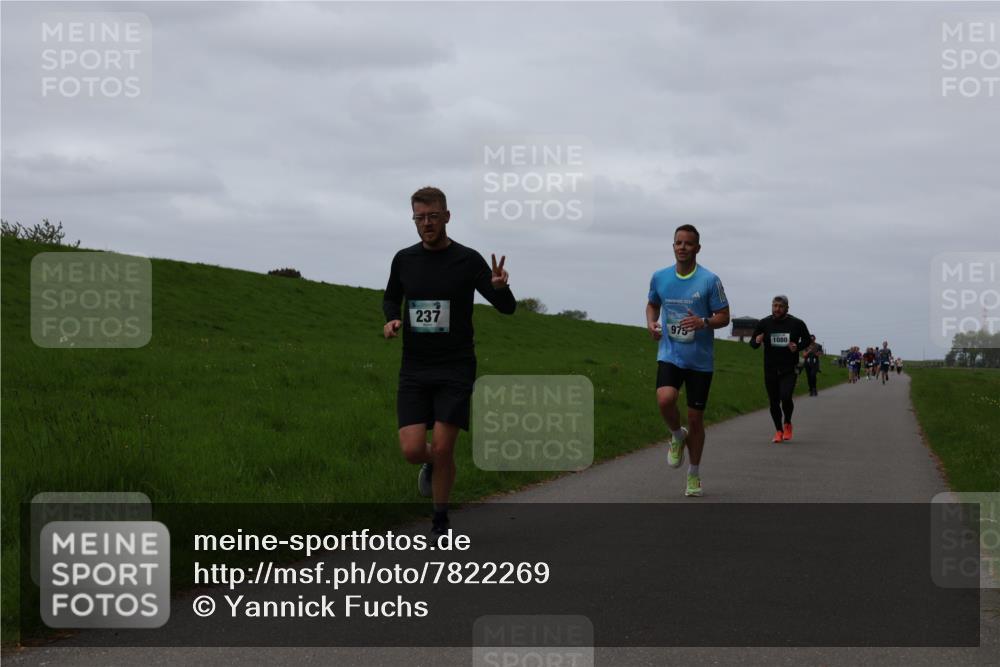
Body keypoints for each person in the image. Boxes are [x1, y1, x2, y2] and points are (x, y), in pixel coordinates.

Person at [383, 186, 516, 541]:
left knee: (444, 448)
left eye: (432, 217)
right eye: (419, 218)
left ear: (446, 217)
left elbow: (506, 308)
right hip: (414, 366)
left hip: (455, 366)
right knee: (413, 450)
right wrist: (392, 319)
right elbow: (391, 296)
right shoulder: (404, 259)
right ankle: (430, 463)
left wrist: (501, 287)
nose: (426, 224)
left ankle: (439, 522)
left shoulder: (468, 260)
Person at [646, 224, 730, 497]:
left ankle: (693, 475)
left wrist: (703, 322)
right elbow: (652, 304)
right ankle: (676, 434)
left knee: (696, 419)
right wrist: (651, 322)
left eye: (688, 243)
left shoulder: (709, 280)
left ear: (697, 248)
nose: (682, 247)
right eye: (678, 243)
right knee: (665, 400)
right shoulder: (660, 277)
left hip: (700, 361)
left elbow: (724, 316)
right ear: (673, 246)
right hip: (670, 353)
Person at [749, 296, 812, 442]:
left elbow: (807, 339)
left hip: (789, 368)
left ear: (787, 308)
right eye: (775, 306)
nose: (777, 309)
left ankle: (787, 423)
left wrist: (798, 347)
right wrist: (757, 341)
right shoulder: (764, 323)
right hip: (770, 367)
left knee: (785, 396)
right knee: (773, 401)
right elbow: (753, 343)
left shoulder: (796, 323)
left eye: (780, 306)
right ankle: (778, 430)